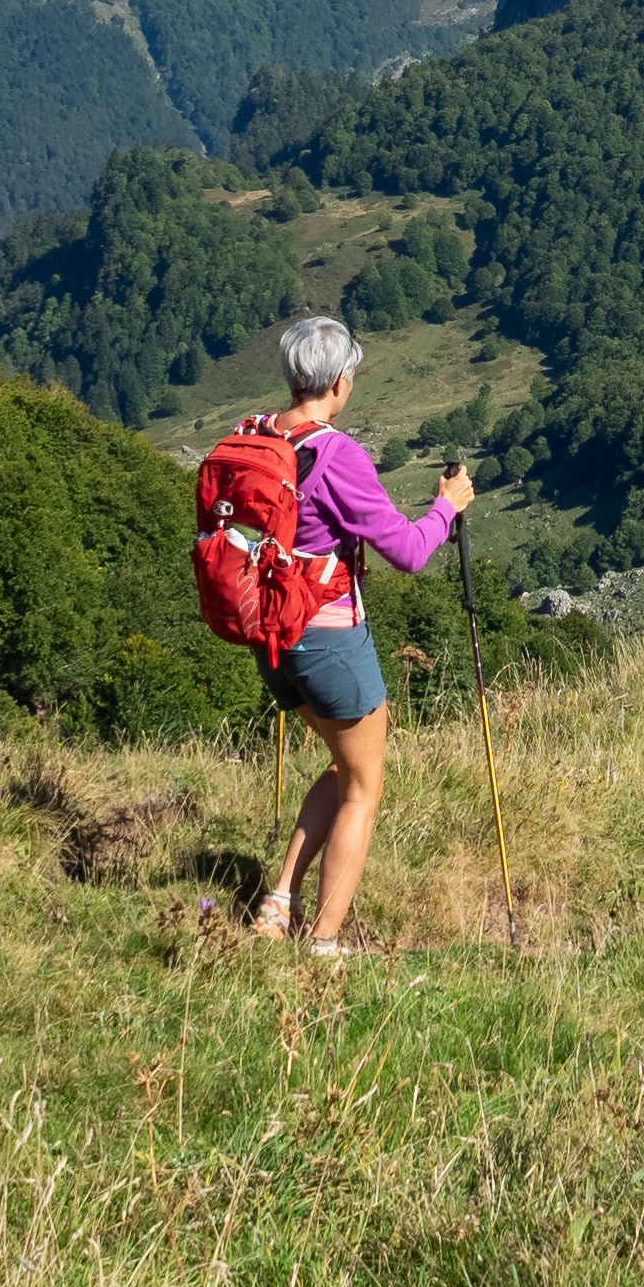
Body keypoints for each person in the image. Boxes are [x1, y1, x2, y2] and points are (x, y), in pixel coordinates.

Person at [247, 313, 471, 953]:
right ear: (340, 381)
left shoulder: (257, 436)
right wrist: (446, 509)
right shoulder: (336, 453)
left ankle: (278, 901)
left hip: (269, 637)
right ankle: (323, 943)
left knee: (348, 763)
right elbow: (406, 550)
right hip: (325, 638)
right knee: (365, 785)